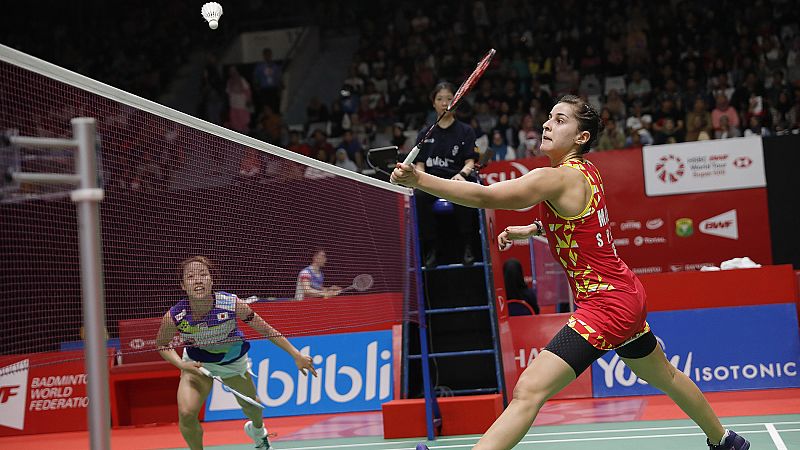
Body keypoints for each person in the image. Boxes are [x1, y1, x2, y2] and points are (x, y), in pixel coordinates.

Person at [394, 95, 750, 450]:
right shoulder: (586, 172)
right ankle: (726, 441)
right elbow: (581, 223)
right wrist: (533, 228)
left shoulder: (554, 178)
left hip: (605, 305)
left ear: (581, 137)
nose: (547, 124)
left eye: (560, 120)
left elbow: (485, 197)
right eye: (549, 117)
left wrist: (420, 179)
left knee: (528, 391)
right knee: (664, 375)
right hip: (624, 294)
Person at [156, 256, 317, 450]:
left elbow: (266, 330)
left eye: (203, 274)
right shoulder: (175, 316)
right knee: (187, 414)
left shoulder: (231, 303)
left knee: (253, 407)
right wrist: (182, 365)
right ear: (183, 285)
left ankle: (258, 432)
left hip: (233, 362)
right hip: (198, 365)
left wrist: (296, 354)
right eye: (190, 277)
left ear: (211, 280)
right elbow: (162, 344)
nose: (198, 280)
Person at [413, 81, 479, 267]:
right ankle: (431, 248)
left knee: (465, 190)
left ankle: (468, 245)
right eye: (440, 99)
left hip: (456, 178)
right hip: (433, 182)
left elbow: (470, 162)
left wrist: (462, 175)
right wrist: (423, 180)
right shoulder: (425, 133)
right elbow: (420, 165)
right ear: (433, 103)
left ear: (456, 102)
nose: (444, 103)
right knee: (419, 196)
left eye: (449, 99)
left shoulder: (466, 131)